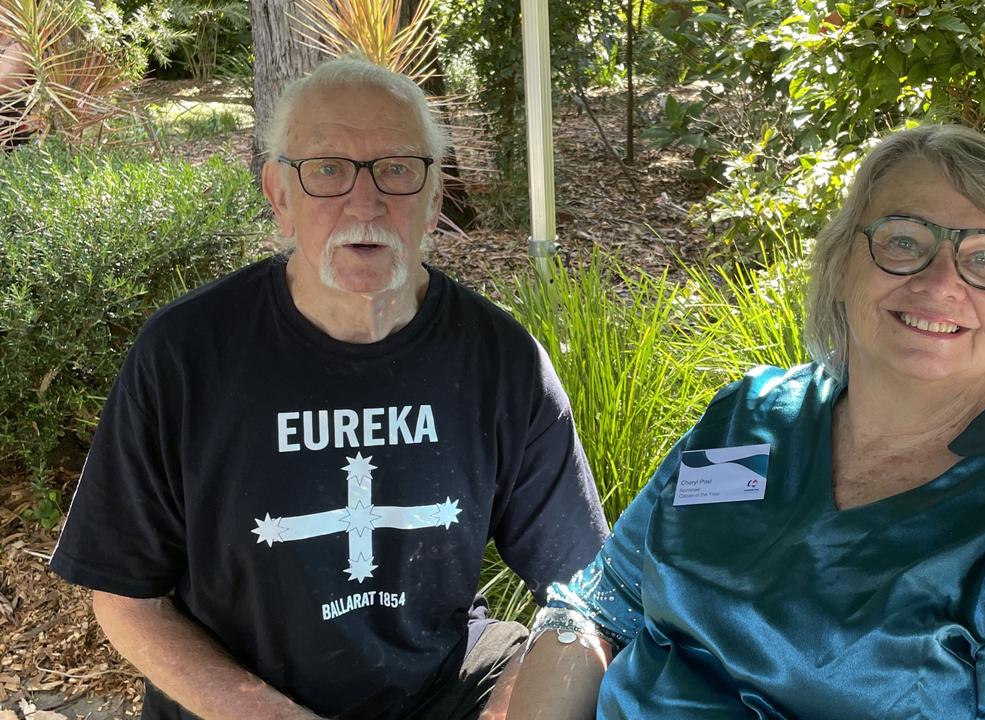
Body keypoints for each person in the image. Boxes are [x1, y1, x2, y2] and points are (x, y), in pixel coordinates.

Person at [506, 124, 985, 719]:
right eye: (904, 241)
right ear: (841, 262)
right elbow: (601, 608)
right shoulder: (752, 423)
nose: (942, 281)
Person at [50, 55, 609, 720]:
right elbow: (124, 597)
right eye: (327, 170)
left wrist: (526, 699)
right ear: (279, 195)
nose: (365, 201)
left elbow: (587, 592)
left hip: (438, 686)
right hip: (241, 698)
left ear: (434, 201)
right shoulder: (185, 356)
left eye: (399, 169)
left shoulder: (500, 362)